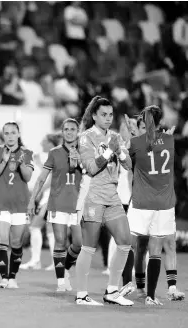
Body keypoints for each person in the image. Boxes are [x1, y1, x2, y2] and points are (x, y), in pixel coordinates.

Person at [75, 96, 133, 306]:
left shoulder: (115, 136)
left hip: (112, 194)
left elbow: (128, 165)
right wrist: (110, 151)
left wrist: (121, 153)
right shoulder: (86, 137)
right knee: (89, 246)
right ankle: (81, 295)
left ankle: (112, 290)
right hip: (93, 195)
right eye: (104, 115)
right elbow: (91, 167)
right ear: (94, 116)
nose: (108, 119)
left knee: (125, 241)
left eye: (110, 115)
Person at [127, 107, 184, 304]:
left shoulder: (136, 142)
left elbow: (126, 160)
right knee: (156, 248)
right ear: (161, 121)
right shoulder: (169, 140)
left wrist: (132, 136)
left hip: (142, 201)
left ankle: (127, 287)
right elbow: (158, 143)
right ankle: (151, 296)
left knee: (130, 244)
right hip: (164, 203)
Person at [28, 119, 83, 291]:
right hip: (58, 202)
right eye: (66, 129)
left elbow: (92, 172)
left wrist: (79, 162)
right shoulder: (54, 153)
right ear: (62, 132)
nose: (69, 132)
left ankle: (65, 268)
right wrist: (32, 200)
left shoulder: (85, 152)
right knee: (60, 242)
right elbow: (42, 178)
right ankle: (60, 281)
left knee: (78, 244)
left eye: (72, 129)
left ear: (77, 131)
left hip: (77, 204)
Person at [0, 122, 34, 289]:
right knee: (2, 241)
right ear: (3, 135)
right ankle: (4, 278)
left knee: (16, 242)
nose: (10, 136)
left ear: (18, 134)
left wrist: (21, 163)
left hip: (20, 204)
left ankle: (13, 276)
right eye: (6, 133)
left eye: (13, 132)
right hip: (1, 203)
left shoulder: (27, 153)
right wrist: (4, 162)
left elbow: (28, 177)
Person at [21, 133, 62, 271]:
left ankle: (38, 261)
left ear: (51, 143)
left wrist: (35, 193)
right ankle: (53, 262)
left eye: (44, 141)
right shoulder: (54, 155)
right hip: (49, 196)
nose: (41, 144)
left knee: (36, 226)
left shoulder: (55, 156)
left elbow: (50, 180)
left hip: (51, 197)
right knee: (48, 229)